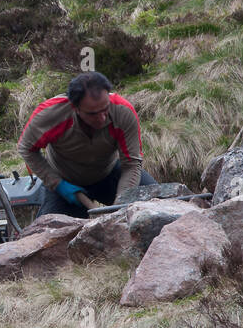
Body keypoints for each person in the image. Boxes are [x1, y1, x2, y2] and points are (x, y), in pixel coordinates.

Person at [17, 72, 155, 219]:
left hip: (109, 173)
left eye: (105, 109)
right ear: (75, 108)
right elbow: (26, 148)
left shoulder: (123, 112)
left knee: (159, 207)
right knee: (49, 235)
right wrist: (58, 184)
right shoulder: (51, 114)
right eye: (93, 114)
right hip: (66, 180)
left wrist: (121, 203)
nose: (102, 118)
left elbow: (132, 163)